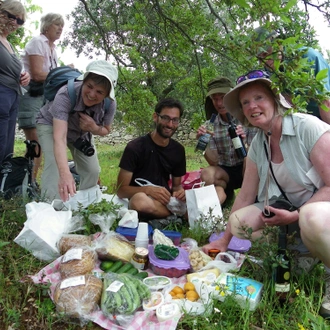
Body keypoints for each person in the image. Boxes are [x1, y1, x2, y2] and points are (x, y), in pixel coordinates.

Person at [202, 70, 330, 318]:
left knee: (311, 217)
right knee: (239, 222)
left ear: (275, 100)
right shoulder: (258, 144)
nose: (252, 106)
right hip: (289, 214)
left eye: (258, 97)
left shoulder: (308, 127)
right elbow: (245, 197)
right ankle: (302, 255)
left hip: (318, 212)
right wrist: (224, 240)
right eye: (245, 103)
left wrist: (296, 216)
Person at [36, 60, 117, 201]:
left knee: (92, 170)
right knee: (54, 164)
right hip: (51, 125)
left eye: (99, 92)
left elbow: (106, 130)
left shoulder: (110, 104)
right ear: (83, 81)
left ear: (106, 95)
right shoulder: (66, 94)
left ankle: (84, 203)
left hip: (80, 133)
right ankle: (51, 207)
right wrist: (65, 174)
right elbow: (59, 138)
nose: (92, 94)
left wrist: (94, 128)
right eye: (89, 86)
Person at [116, 98, 186, 225]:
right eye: (165, 118)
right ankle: (176, 216)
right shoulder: (135, 147)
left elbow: (176, 186)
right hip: (141, 198)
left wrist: (180, 193)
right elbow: (121, 190)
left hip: (164, 200)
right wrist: (148, 190)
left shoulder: (178, 150)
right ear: (155, 117)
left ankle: (170, 215)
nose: (170, 124)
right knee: (140, 201)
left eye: (175, 120)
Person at [18, 13, 65, 185]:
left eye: (62, 26)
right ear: (46, 26)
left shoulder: (53, 48)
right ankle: (26, 182)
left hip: (44, 97)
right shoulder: (38, 42)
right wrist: (63, 72)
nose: (60, 29)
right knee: (34, 140)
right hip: (31, 94)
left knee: (42, 140)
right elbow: (37, 74)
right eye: (57, 25)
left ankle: (31, 181)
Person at [196, 76, 258, 205]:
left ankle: (251, 198)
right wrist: (204, 142)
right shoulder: (210, 125)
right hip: (226, 171)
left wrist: (244, 142)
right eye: (215, 99)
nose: (219, 103)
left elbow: (258, 157)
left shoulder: (247, 119)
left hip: (248, 168)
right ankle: (224, 196)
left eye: (223, 98)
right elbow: (214, 161)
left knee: (248, 159)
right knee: (207, 174)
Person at [254, 26, 330, 124]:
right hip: (306, 119)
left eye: (265, 54)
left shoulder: (308, 56)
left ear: (278, 44)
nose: (263, 62)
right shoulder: (270, 67)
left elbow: (325, 102)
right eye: (259, 58)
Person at [0, 0, 30, 163]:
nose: (18, 25)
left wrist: (26, 76)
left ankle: (3, 185)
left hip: (13, 94)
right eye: (16, 19)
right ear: (4, 15)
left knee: (7, 143)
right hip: (2, 92)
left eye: (21, 22)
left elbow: (17, 68)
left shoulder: (8, 43)